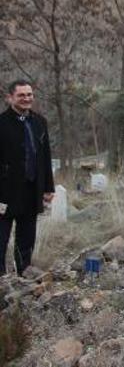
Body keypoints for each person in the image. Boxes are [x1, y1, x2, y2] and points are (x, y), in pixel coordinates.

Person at [0, 80, 55, 276]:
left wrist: (49, 187)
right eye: (21, 95)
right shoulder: (2, 123)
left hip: (31, 190)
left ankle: (24, 275)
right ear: (10, 98)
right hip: (5, 193)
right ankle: (2, 282)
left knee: (26, 238)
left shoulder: (39, 122)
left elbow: (45, 156)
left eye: (29, 94)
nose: (26, 98)